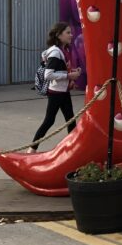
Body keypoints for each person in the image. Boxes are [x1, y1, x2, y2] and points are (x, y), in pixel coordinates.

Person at [30, 22, 82, 152]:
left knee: (70, 120)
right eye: (68, 33)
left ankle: (73, 149)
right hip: (56, 92)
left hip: (63, 91)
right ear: (59, 35)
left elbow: (60, 69)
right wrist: (68, 76)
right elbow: (48, 74)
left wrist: (72, 72)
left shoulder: (63, 50)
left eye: (71, 32)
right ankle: (32, 149)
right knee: (49, 121)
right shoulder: (55, 52)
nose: (71, 35)